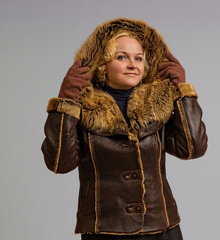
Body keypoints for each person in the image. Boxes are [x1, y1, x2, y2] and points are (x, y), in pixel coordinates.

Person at [41, 18, 208, 240]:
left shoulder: (158, 107)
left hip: (161, 228)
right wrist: (65, 103)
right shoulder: (82, 109)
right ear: (103, 64)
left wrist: (182, 93)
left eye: (139, 58)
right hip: (105, 229)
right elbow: (59, 163)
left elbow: (193, 149)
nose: (133, 64)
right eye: (122, 57)